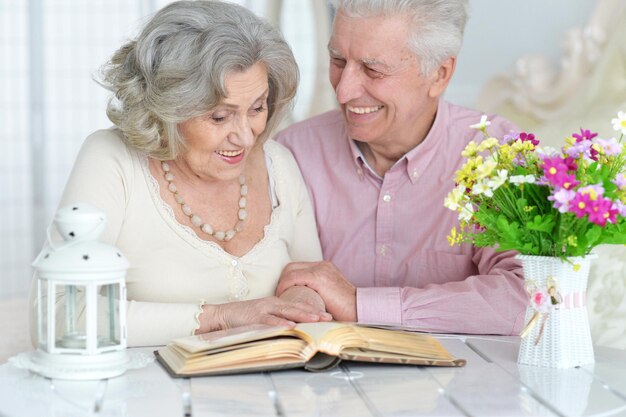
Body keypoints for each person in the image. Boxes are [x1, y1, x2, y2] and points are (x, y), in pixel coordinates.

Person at [30, 0, 330, 347]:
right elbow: (56, 313)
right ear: (167, 109)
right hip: (145, 396)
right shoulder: (111, 159)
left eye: (257, 108)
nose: (247, 137)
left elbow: (309, 278)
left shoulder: (278, 163)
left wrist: (305, 301)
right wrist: (219, 317)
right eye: (219, 117)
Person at [275, 0, 528, 335]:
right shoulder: (291, 153)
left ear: (440, 74)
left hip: (464, 379)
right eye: (338, 60)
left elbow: (528, 297)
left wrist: (360, 304)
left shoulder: (495, 154)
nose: (344, 90)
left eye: (373, 70)